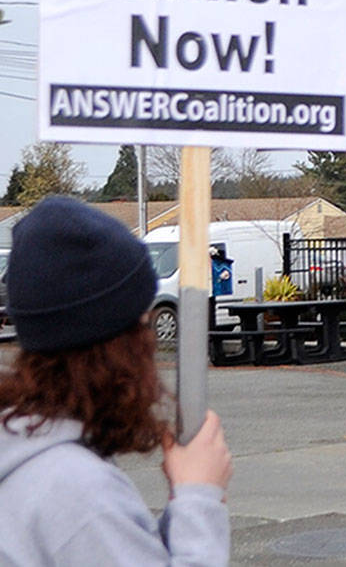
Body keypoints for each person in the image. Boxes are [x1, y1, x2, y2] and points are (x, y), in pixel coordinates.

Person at [0, 196, 232, 565]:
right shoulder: (77, 493)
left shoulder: (25, 451)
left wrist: (180, 505)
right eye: (141, 325)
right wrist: (198, 497)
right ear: (118, 347)